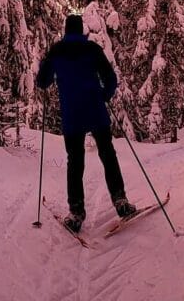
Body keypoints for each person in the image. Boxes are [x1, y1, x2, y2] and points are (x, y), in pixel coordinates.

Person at [36, 14, 135, 232]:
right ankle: (120, 201)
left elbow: (42, 82)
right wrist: (103, 95)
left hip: (72, 114)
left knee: (75, 161)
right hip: (95, 109)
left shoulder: (56, 50)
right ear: (81, 30)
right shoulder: (92, 49)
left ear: (65, 30)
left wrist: (48, 70)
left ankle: (76, 212)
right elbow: (110, 78)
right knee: (108, 155)